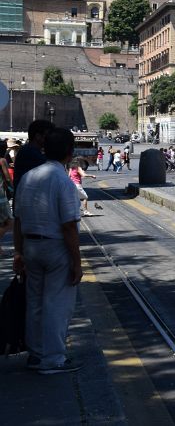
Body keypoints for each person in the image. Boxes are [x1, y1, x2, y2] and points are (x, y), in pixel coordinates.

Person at [12, 127, 83, 374]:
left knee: (35, 302)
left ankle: (36, 353)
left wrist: (18, 252)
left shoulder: (28, 178)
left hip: (30, 246)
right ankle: (53, 359)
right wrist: (77, 261)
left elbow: (18, 219)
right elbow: (68, 226)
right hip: (55, 248)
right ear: (70, 152)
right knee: (57, 304)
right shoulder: (63, 182)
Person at [13, 120, 55, 193]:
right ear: (38, 136)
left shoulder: (28, 150)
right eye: (47, 135)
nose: (50, 139)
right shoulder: (30, 152)